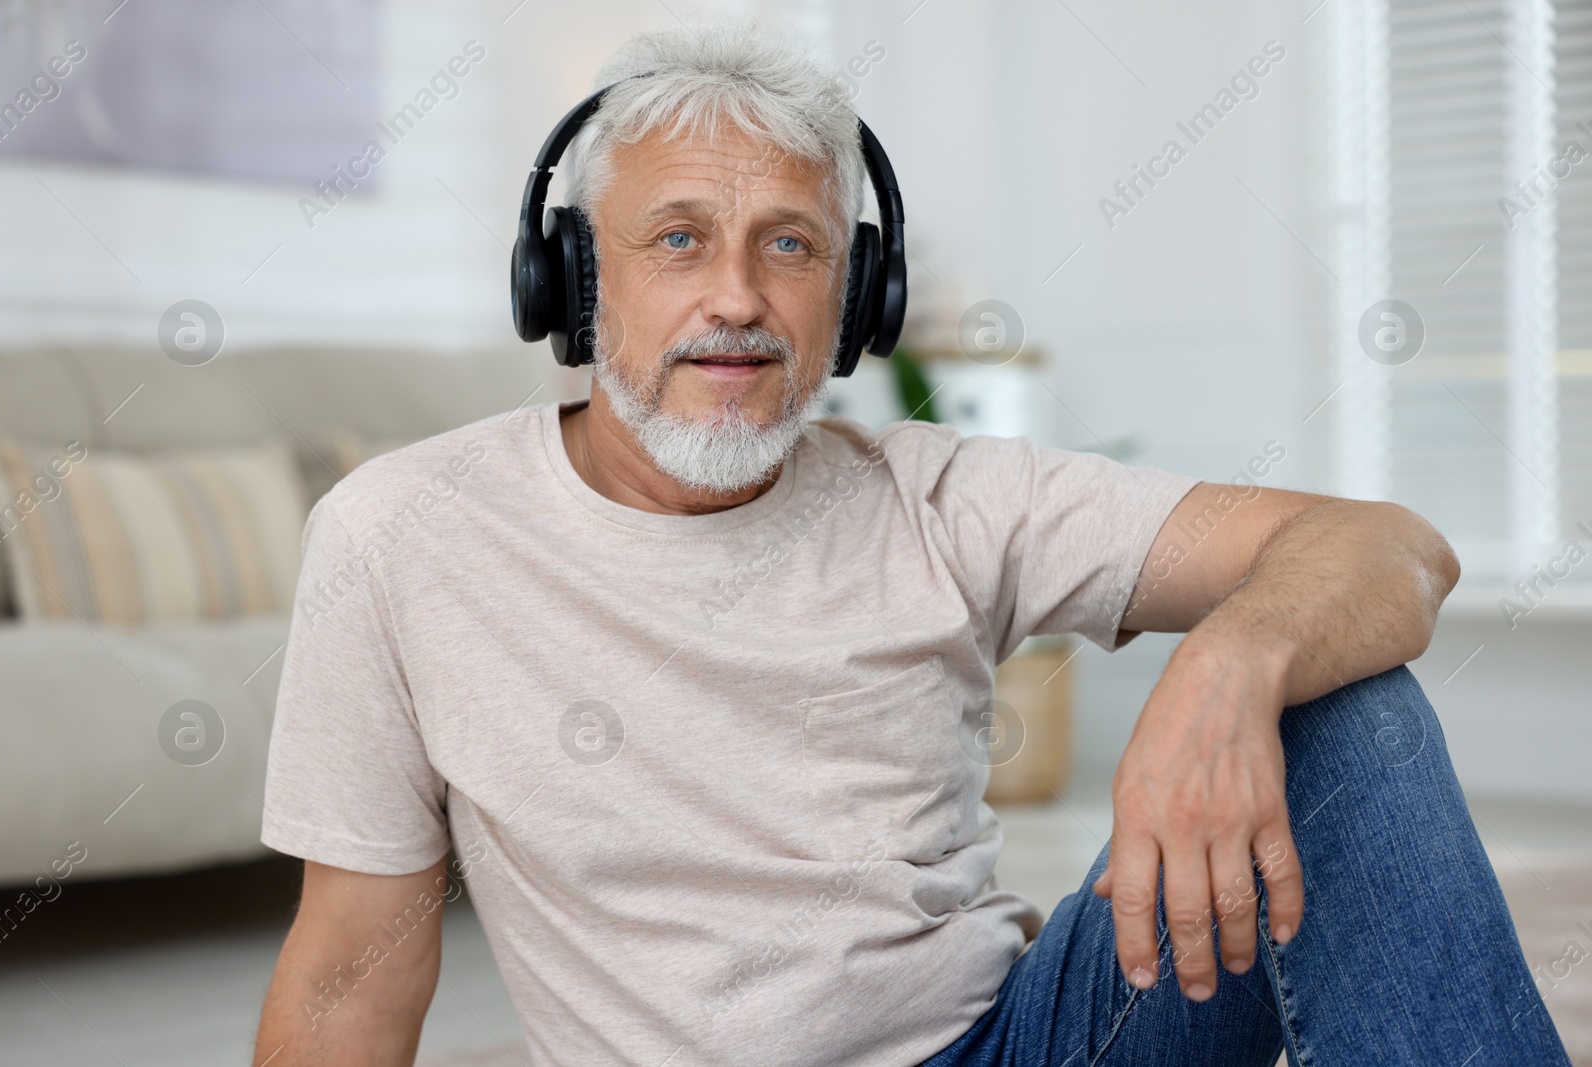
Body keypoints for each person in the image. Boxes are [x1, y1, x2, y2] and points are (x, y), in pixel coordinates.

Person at [250, 16, 1569, 1067]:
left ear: (856, 300)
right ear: (576, 285)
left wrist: (1232, 665)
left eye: (792, 245)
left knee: (1345, 716)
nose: (737, 297)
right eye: (677, 239)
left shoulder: (942, 494)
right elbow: (350, 970)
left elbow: (1392, 550)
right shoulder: (402, 534)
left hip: (1016, 1050)